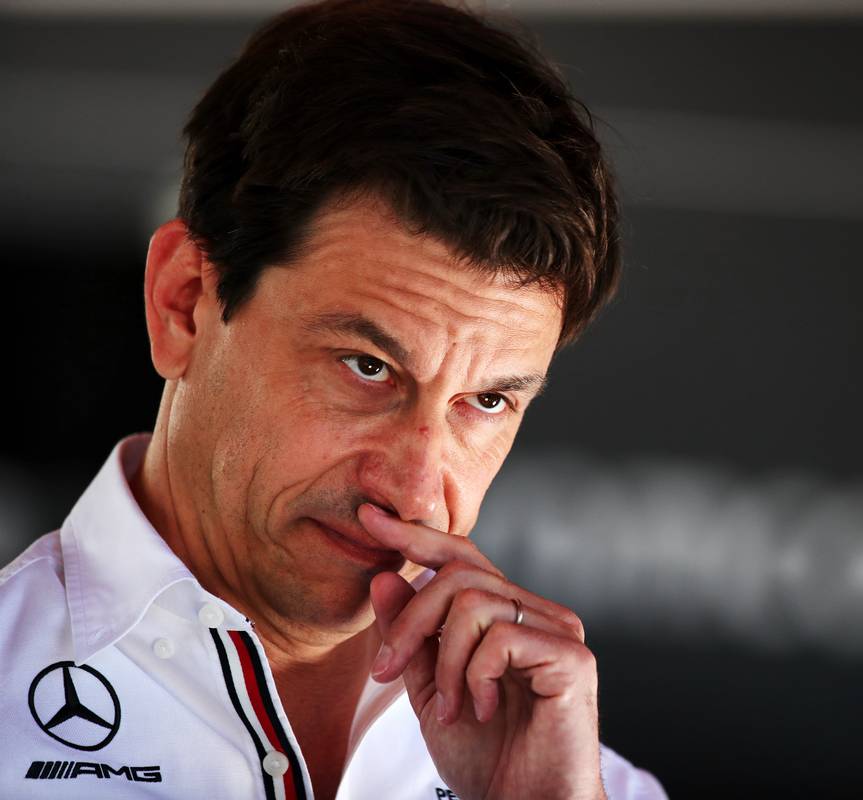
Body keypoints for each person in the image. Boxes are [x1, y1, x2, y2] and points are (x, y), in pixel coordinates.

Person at [0, 1, 666, 798]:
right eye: (368, 366)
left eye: (486, 402)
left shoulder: (581, 783)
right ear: (183, 303)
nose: (416, 492)